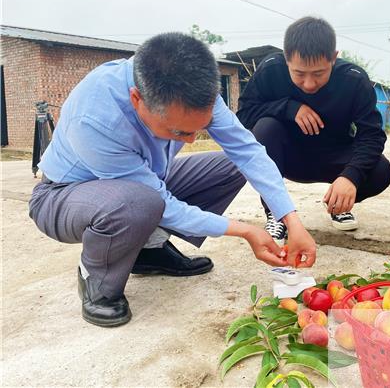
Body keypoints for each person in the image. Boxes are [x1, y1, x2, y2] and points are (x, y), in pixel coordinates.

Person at [28, 32, 317, 327]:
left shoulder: (192, 89)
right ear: (137, 100)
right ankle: (96, 281)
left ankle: (149, 251)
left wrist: (291, 219)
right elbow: (160, 203)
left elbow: (247, 150)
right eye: (179, 132)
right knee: (139, 202)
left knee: (230, 165)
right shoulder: (95, 118)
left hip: (146, 184)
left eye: (199, 129)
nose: (190, 141)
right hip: (63, 196)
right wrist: (246, 231)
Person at [236, 17, 390, 243]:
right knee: (265, 128)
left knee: (380, 170)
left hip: (334, 157)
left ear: (334, 58)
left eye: (319, 73)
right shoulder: (271, 70)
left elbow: (372, 134)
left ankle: (338, 205)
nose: (309, 84)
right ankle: (276, 213)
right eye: (299, 73)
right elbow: (244, 115)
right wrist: (288, 107)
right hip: (289, 156)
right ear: (287, 58)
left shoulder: (353, 80)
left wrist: (350, 176)